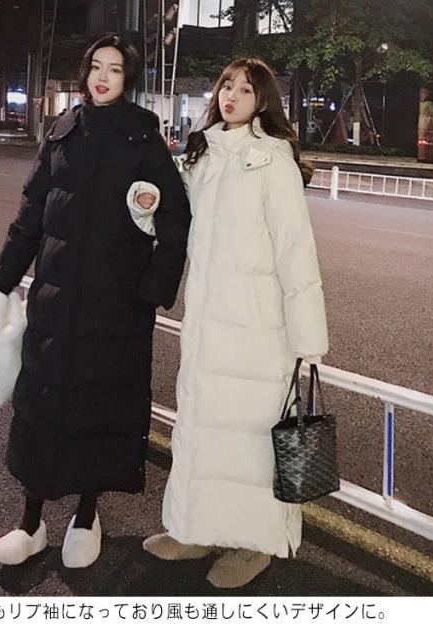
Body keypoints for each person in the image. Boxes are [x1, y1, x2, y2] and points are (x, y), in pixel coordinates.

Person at [0, 35, 191, 568]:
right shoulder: (62, 132)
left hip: (115, 305)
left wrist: (151, 289)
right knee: (42, 405)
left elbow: (175, 217)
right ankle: (30, 523)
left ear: (128, 79)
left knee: (98, 407)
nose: (102, 77)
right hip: (54, 300)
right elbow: (30, 215)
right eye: (96, 66)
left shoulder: (141, 137)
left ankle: (86, 516)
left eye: (114, 69)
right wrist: (2, 282)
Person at [138, 58, 329, 588]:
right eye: (227, 86)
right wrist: (144, 204)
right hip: (208, 325)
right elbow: (174, 220)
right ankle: (194, 528)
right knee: (201, 431)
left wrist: (307, 336)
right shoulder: (204, 154)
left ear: (263, 100)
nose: (231, 96)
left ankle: (255, 545)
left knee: (250, 444)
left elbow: (295, 249)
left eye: (245, 89)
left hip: (257, 331)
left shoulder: (273, 161)